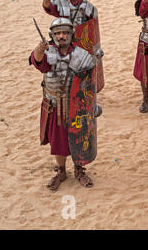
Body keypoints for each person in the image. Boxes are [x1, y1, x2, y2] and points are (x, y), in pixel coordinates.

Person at [29, 18, 96, 190]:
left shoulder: (81, 55)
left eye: (64, 33)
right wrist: (39, 49)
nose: (61, 36)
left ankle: (79, 170)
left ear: (70, 34)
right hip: (54, 105)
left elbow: (88, 84)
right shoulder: (47, 54)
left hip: (76, 107)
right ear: (53, 35)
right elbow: (37, 62)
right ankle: (61, 171)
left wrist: (90, 106)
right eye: (58, 33)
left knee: (79, 138)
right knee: (58, 141)